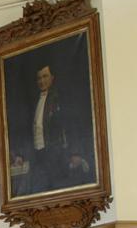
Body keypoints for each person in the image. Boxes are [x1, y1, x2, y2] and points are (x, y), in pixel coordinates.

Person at [10, 64, 94, 196]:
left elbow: (71, 126)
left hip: (57, 155)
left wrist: (75, 152)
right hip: (38, 156)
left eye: (45, 76)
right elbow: (28, 130)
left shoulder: (60, 99)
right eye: (39, 78)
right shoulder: (34, 101)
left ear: (52, 78)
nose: (42, 81)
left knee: (59, 192)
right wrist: (21, 155)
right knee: (40, 190)